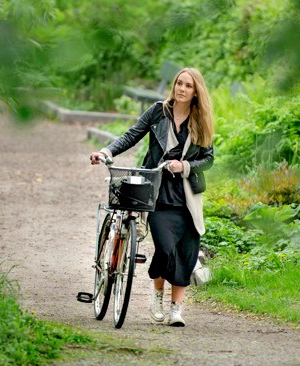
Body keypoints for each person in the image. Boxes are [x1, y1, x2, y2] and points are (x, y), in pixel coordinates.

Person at [90, 67, 214, 327]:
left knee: (186, 253)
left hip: (187, 196)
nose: (181, 88)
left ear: (195, 92)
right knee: (166, 249)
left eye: (188, 86)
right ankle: (157, 294)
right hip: (158, 193)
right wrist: (106, 150)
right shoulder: (159, 111)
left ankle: (176, 310)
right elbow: (131, 135)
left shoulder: (200, 120)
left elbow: (208, 158)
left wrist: (185, 167)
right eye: (179, 83)